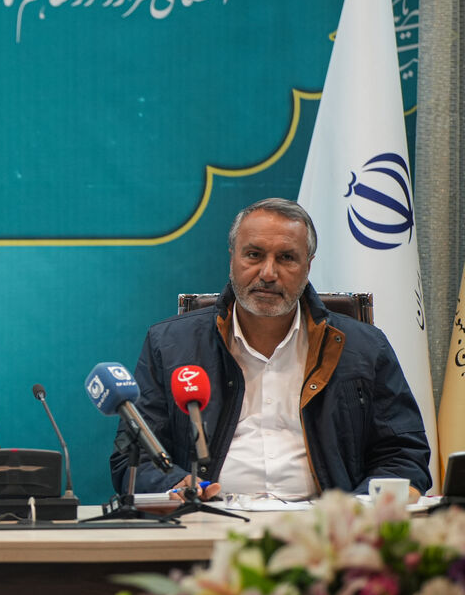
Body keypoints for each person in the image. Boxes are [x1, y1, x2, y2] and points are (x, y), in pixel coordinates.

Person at [110, 198, 430, 502]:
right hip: (209, 518)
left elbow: (403, 455)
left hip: (326, 527)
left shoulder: (364, 347)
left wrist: (355, 511)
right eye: (254, 255)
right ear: (232, 258)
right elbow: (134, 457)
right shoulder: (170, 345)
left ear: (308, 266)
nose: (268, 273)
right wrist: (176, 486)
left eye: (287, 258)